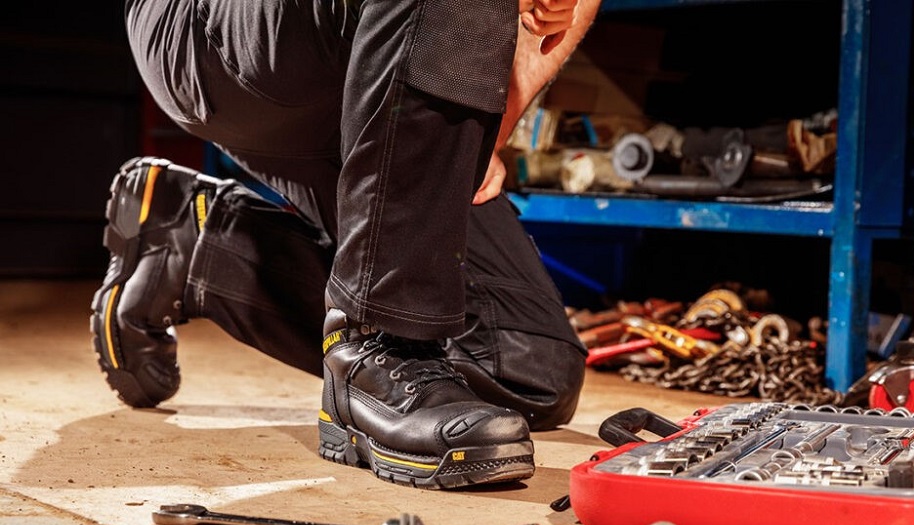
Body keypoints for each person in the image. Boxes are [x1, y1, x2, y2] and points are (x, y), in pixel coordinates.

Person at [92, 0, 599, 490]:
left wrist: (492, 123)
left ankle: (203, 246)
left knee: (530, 367)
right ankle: (375, 349)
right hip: (212, 32)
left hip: (390, 64)